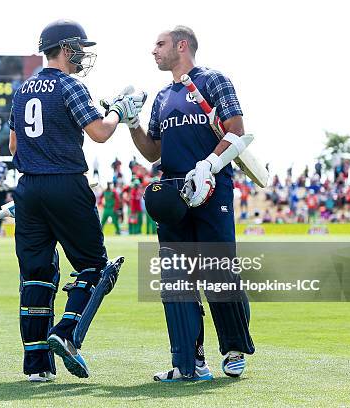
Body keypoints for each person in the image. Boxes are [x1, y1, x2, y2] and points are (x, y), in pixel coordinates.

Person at [8, 19, 145, 382]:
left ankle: (36, 366)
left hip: (29, 188)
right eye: (79, 47)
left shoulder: (22, 90)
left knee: (35, 276)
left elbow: (14, 146)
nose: (83, 53)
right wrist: (118, 110)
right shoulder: (71, 84)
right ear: (65, 48)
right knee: (96, 267)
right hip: (66, 184)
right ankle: (67, 333)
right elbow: (99, 133)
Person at [129, 26, 254, 381]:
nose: (153, 50)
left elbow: (236, 132)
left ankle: (232, 349)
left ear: (182, 46)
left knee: (218, 270)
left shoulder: (214, 81)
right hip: (173, 195)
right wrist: (132, 124)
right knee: (177, 280)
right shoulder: (163, 95)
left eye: (160, 44)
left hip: (212, 189)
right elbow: (153, 149)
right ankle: (190, 362)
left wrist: (208, 166)